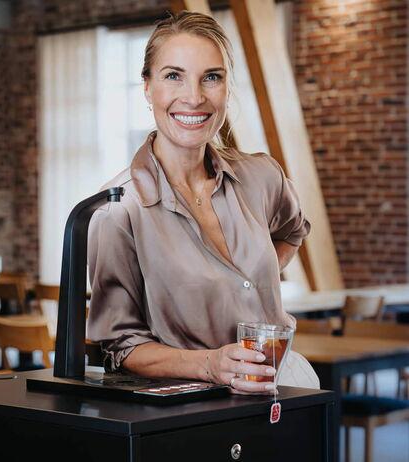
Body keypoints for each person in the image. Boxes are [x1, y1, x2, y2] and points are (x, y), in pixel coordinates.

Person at [87, 11, 319, 394]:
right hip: (192, 407)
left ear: (227, 88)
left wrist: (245, 285)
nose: (194, 97)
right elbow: (122, 346)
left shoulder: (263, 176)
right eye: (173, 76)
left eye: (211, 77)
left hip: (285, 385)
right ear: (147, 88)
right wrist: (211, 365)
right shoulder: (117, 210)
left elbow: (293, 231)